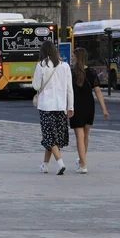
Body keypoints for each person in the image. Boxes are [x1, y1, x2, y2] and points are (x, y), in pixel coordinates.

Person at [32, 40, 74, 175]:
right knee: (53, 136)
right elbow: (69, 89)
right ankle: (45, 165)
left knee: (49, 136)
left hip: (45, 106)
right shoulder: (65, 66)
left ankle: (60, 163)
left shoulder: (41, 66)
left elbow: (36, 86)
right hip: (61, 106)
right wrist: (70, 106)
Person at [70, 47, 110, 173]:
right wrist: (104, 109)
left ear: (77, 57)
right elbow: (97, 91)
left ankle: (83, 165)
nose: (71, 57)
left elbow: (67, 91)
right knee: (86, 135)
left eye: (73, 55)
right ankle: (82, 161)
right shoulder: (92, 73)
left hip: (76, 106)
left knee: (79, 137)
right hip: (89, 105)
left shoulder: (71, 72)